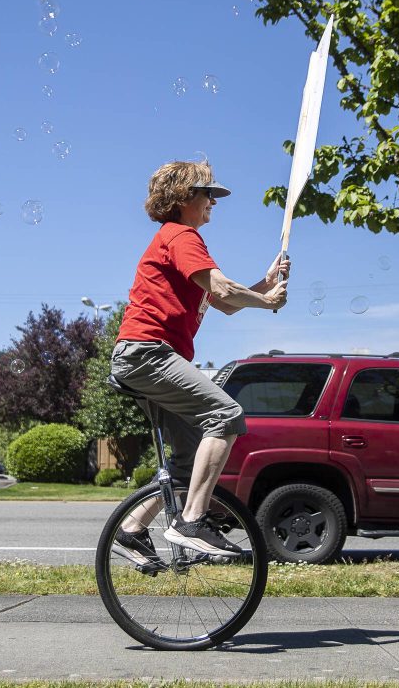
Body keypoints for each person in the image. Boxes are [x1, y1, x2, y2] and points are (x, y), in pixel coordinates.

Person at [110, 160, 289, 559]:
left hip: (147, 357)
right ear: (185, 197)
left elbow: (223, 301)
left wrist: (266, 283)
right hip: (147, 353)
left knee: (190, 458)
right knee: (226, 416)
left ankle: (133, 529)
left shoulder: (177, 241)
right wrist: (267, 301)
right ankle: (191, 521)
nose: (214, 202)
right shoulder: (181, 235)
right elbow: (222, 284)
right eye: (209, 193)